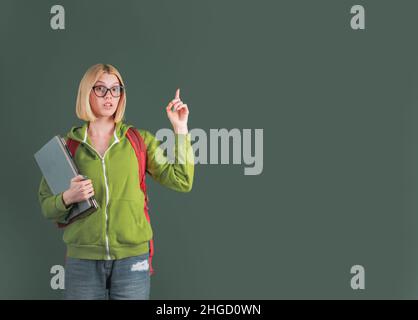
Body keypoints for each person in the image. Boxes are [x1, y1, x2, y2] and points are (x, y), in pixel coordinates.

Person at [38, 63, 194, 300]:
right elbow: (47, 207)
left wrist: (180, 129)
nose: (109, 96)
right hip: (83, 261)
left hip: (133, 260)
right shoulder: (68, 147)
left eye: (115, 89)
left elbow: (181, 180)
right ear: (86, 92)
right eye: (100, 89)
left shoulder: (139, 141)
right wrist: (68, 197)